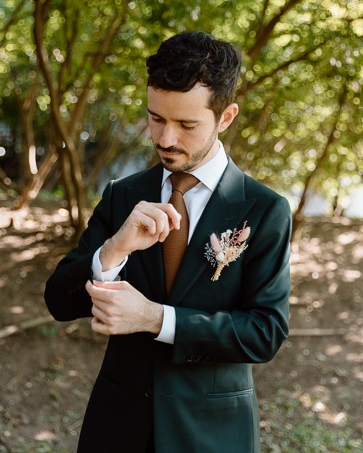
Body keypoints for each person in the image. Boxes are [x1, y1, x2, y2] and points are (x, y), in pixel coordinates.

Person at [44, 30, 291, 453]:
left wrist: (156, 319)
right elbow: (59, 301)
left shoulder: (264, 210)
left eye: (186, 124)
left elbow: (265, 332)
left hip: (211, 434)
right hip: (117, 429)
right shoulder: (123, 194)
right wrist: (113, 251)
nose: (165, 138)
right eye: (156, 118)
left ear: (225, 117)